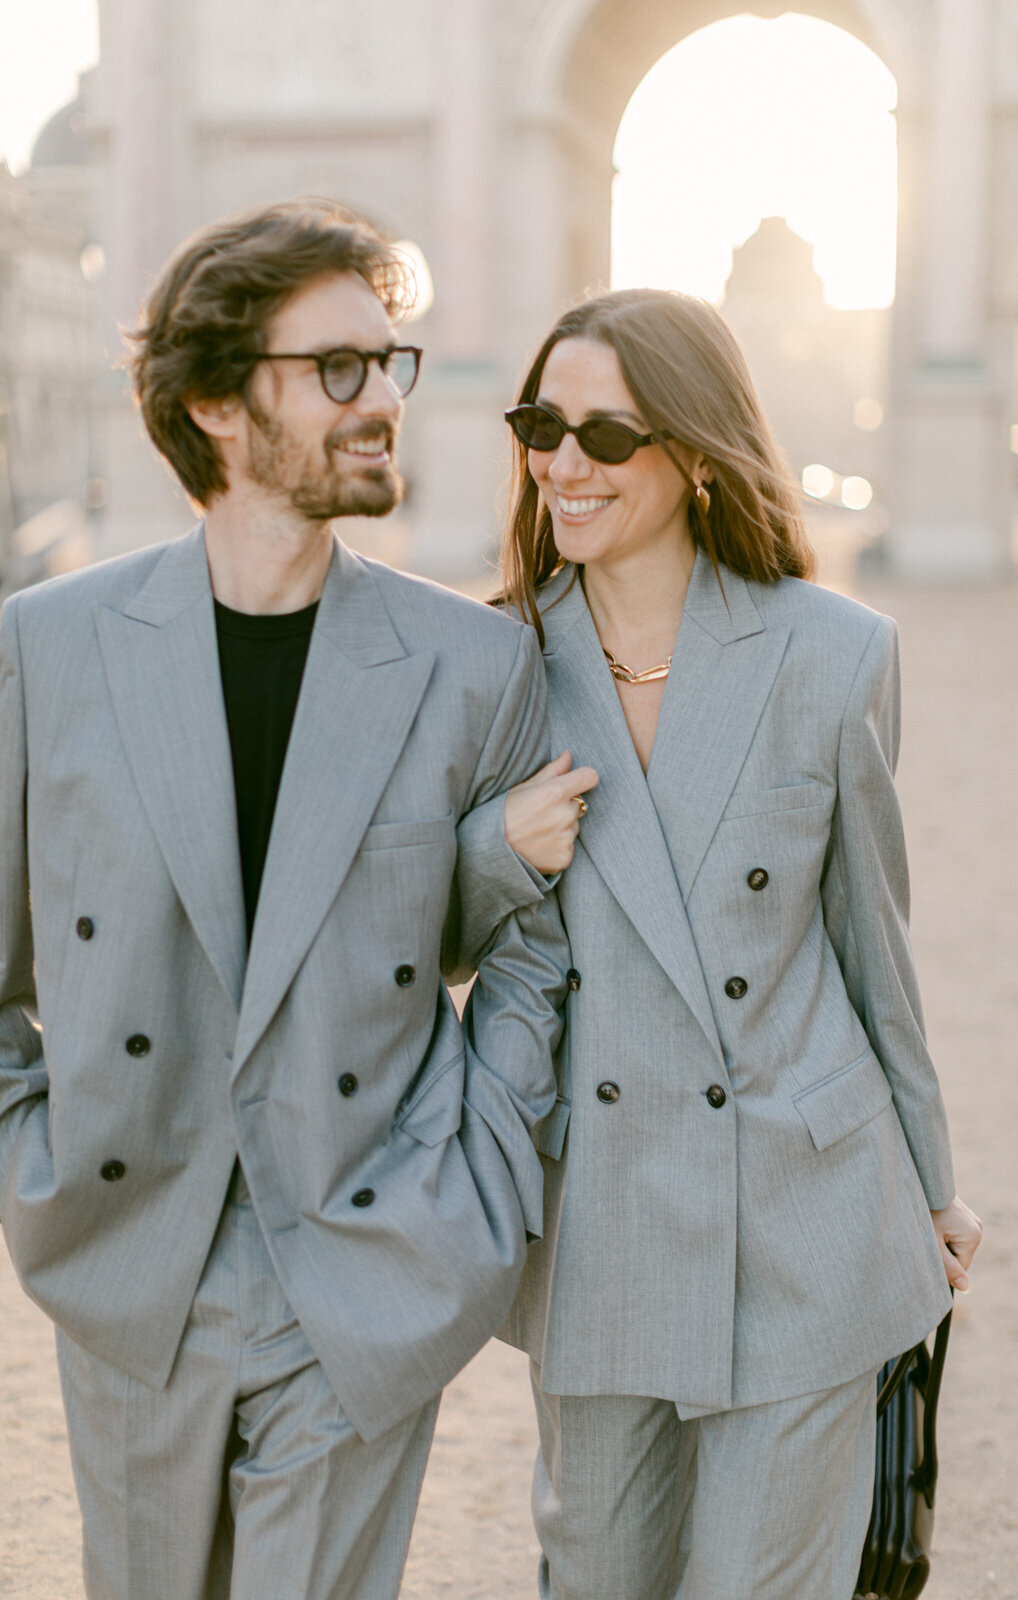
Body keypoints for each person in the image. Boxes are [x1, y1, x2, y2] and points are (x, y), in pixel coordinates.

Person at [0, 198, 580, 1600]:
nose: (383, 399)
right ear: (214, 402)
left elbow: (530, 958)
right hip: (127, 1260)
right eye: (337, 368)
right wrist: (37, 1165)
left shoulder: (473, 664)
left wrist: (474, 1189)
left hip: (369, 1258)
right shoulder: (45, 649)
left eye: (390, 362)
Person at [456, 287, 983, 1600]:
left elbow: (874, 950)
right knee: (596, 1575)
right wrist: (495, 850)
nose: (563, 465)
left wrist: (929, 1188)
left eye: (605, 435)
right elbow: (428, 953)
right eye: (541, 427)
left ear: (696, 453)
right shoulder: (491, 663)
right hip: (599, 1220)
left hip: (805, 1213)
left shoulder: (835, 655)